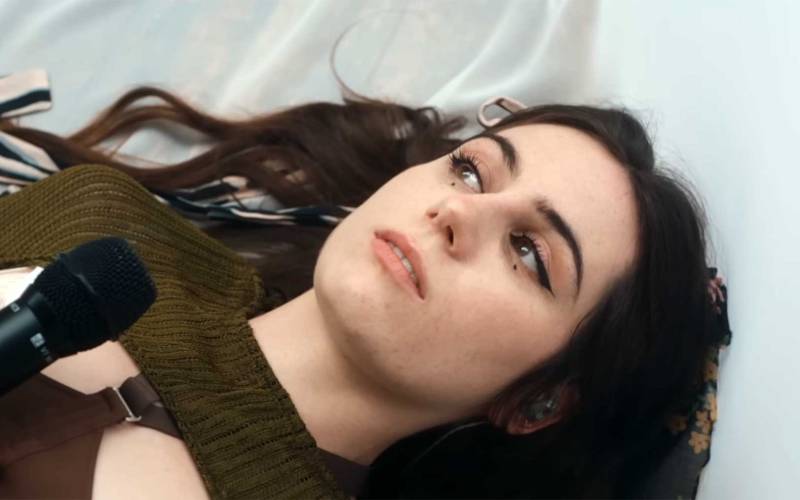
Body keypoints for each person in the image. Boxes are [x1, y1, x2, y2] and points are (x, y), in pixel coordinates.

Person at [0, 87, 727, 498]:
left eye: (529, 252)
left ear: (537, 404)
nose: (458, 211)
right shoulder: (102, 220)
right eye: (471, 170)